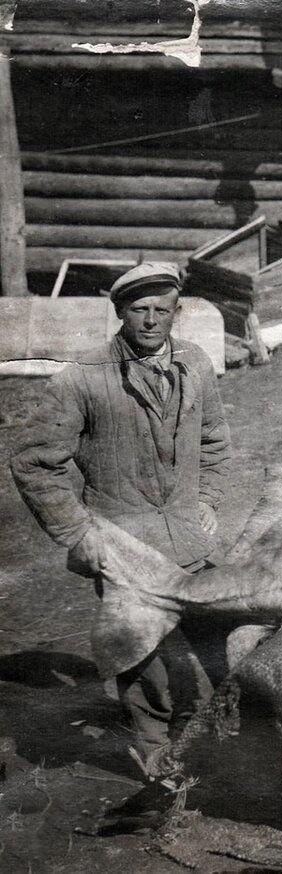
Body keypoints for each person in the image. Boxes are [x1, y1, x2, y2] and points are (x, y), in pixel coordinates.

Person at [10, 262, 231, 769]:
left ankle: (211, 744)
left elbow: (215, 441)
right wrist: (77, 532)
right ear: (120, 312)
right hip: (122, 541)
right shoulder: (83, 379)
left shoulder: (195, 363)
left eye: (162, 310)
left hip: (187, 534)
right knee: (140, 654)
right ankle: (157, 759)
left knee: (215, 639)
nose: (151, 320)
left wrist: (209, 500)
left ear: (177, 313)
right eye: (139, 309)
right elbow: (35, 463)